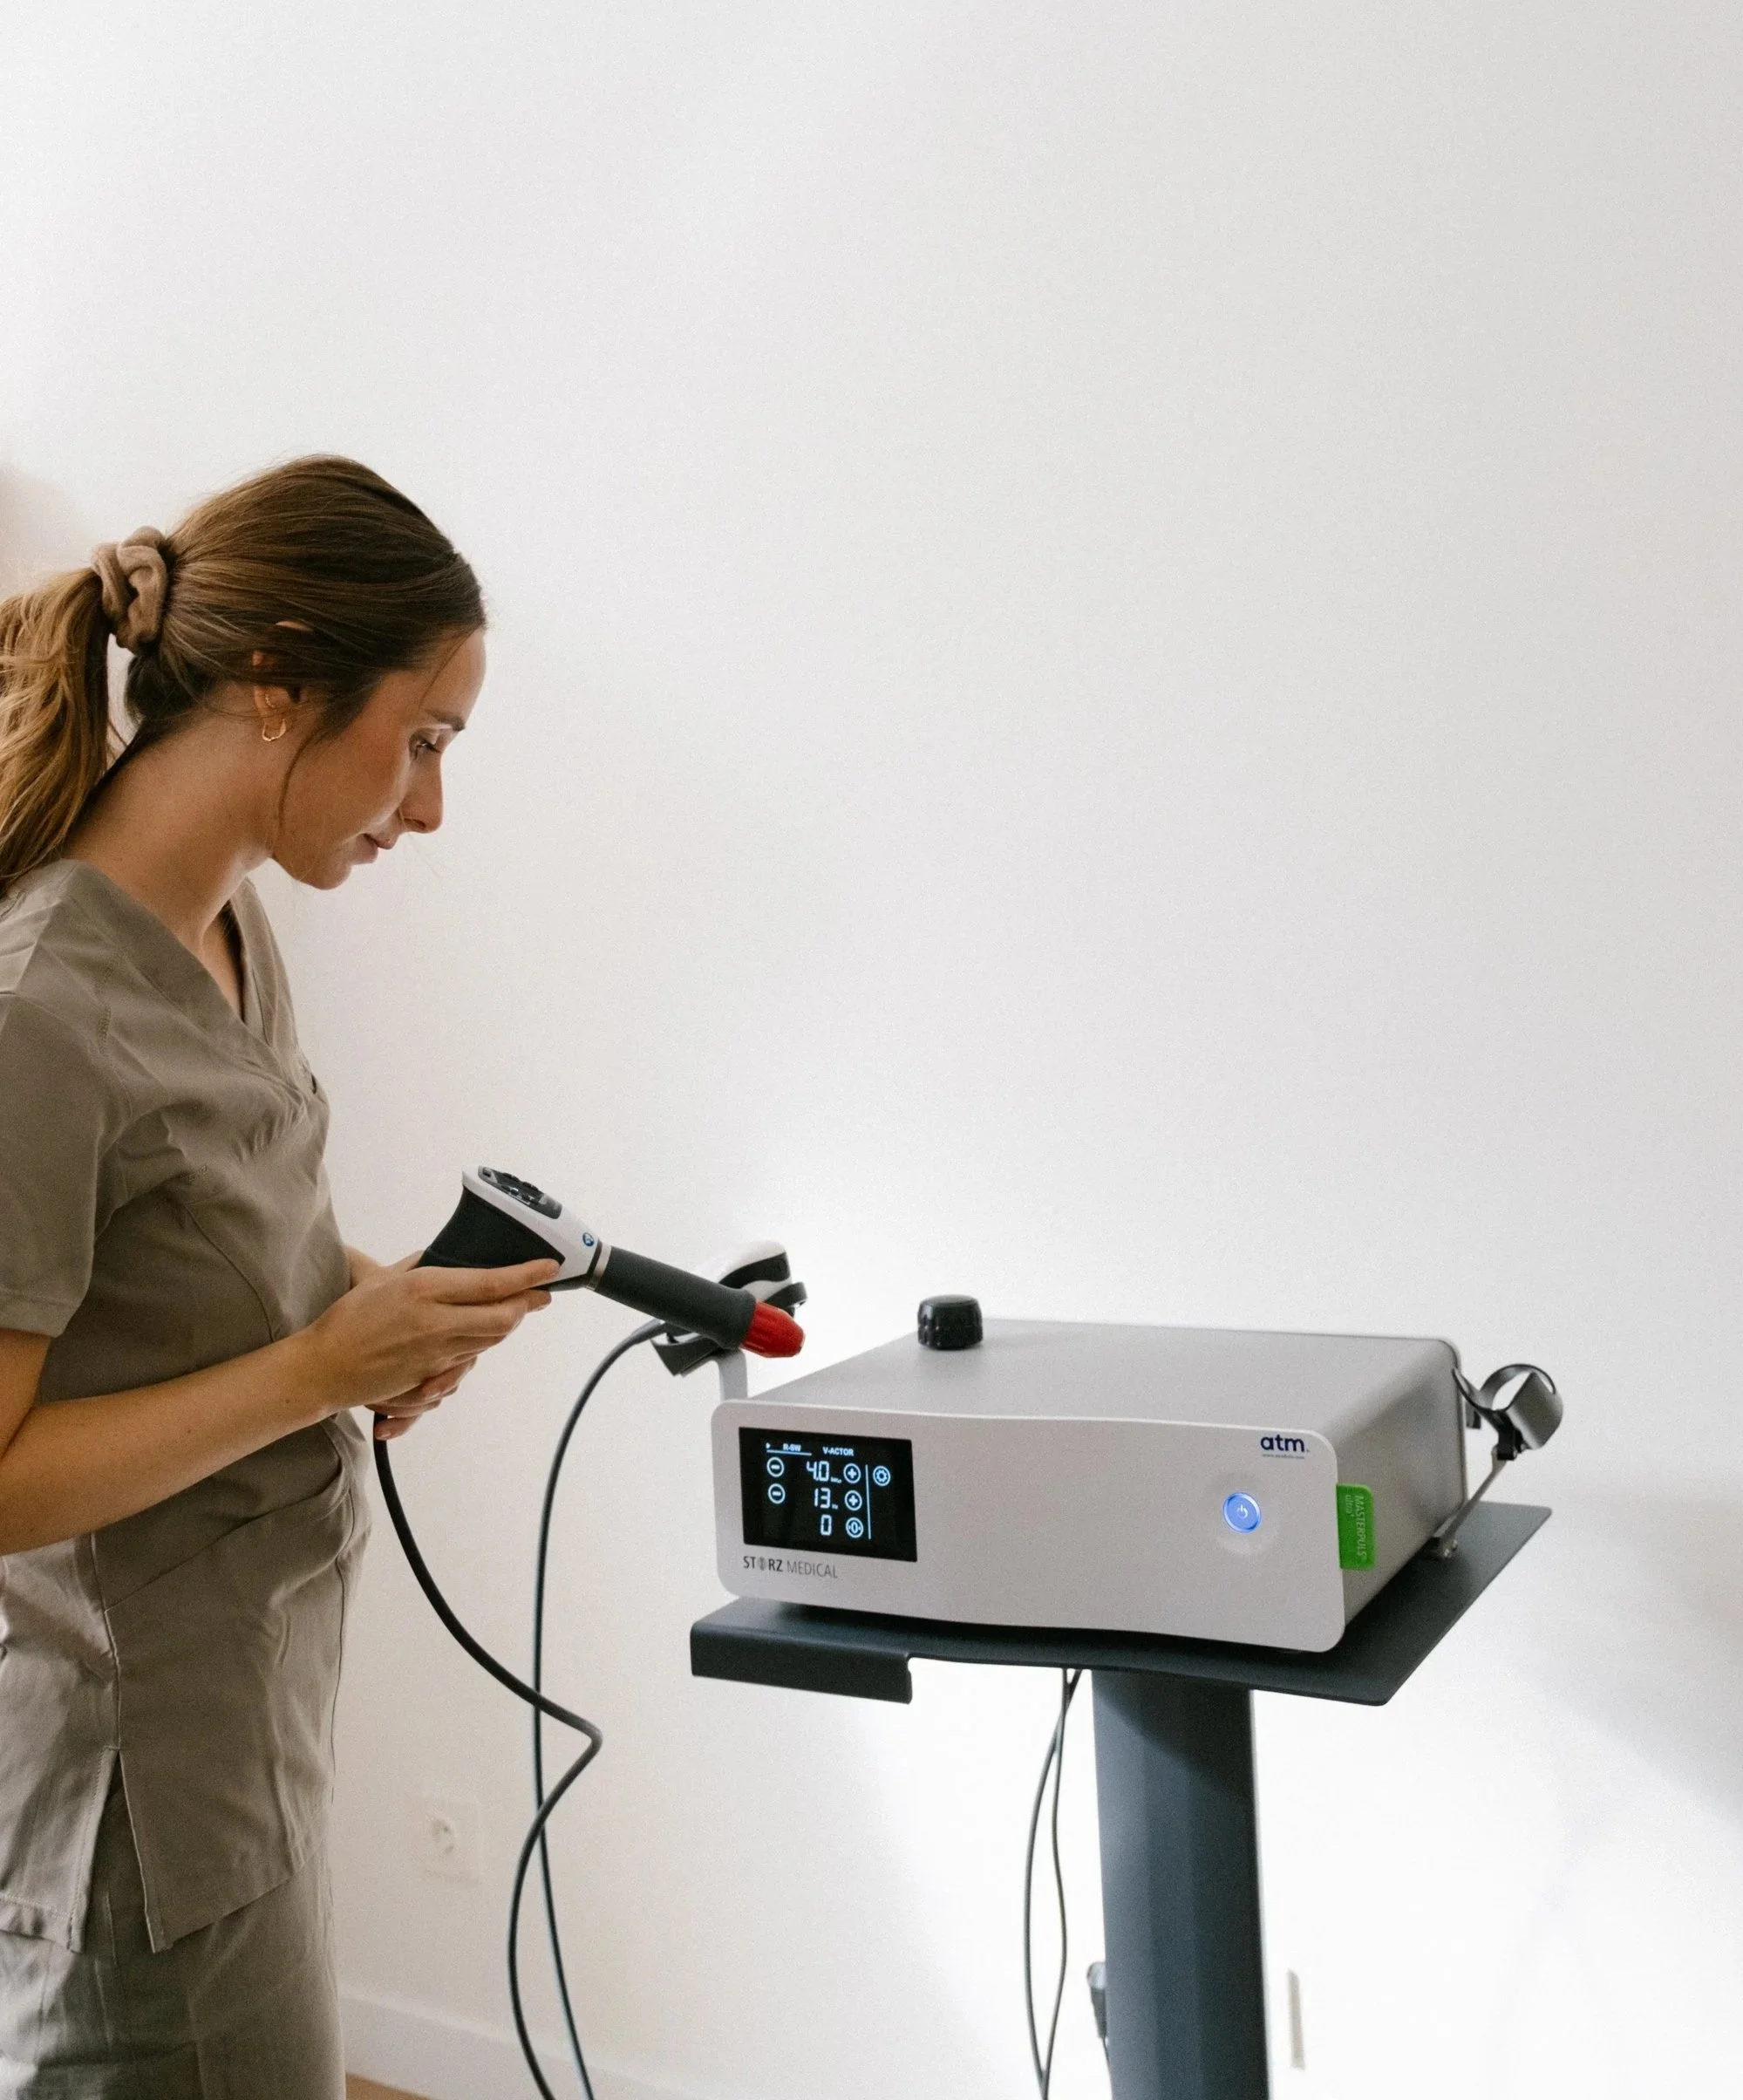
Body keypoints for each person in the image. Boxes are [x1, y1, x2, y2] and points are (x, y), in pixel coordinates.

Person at [0, 456, 558, 2097]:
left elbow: (192, 1268)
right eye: (426, 738)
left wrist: (371, 1320)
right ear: (275, 682)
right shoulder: (38, 1011)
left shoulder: (231, 930)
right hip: (134, 1804)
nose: (432, 803)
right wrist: (321, 1369)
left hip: (250, 1725)